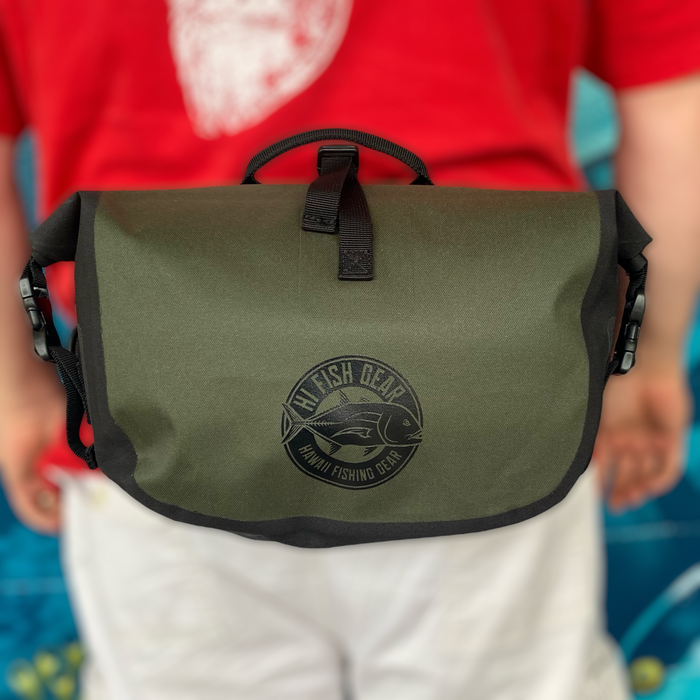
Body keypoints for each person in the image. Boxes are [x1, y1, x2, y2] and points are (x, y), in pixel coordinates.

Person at [1, 1, 699, 697]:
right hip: (492, 403)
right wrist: (643, 359)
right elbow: (672, 106)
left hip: (162, 412)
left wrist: (19, 389)